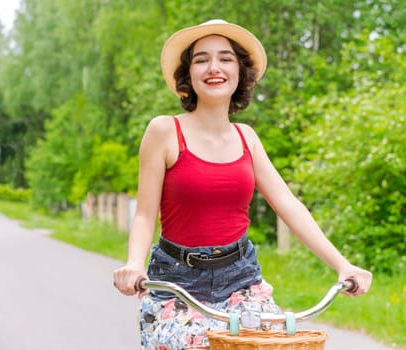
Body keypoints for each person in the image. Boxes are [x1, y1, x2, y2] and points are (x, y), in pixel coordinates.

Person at [113, 19, 373, 350]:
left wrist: (342, 264)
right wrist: (135, 265)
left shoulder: (246, 137)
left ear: (239, 72)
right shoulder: (164, 131)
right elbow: (145, 215)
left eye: (225, 58)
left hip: (241, 278)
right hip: (176, 281)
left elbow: (289, 206)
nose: (213, 67)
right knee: (195, 344)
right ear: (188, 75)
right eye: (201, 59)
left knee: (276, 345)